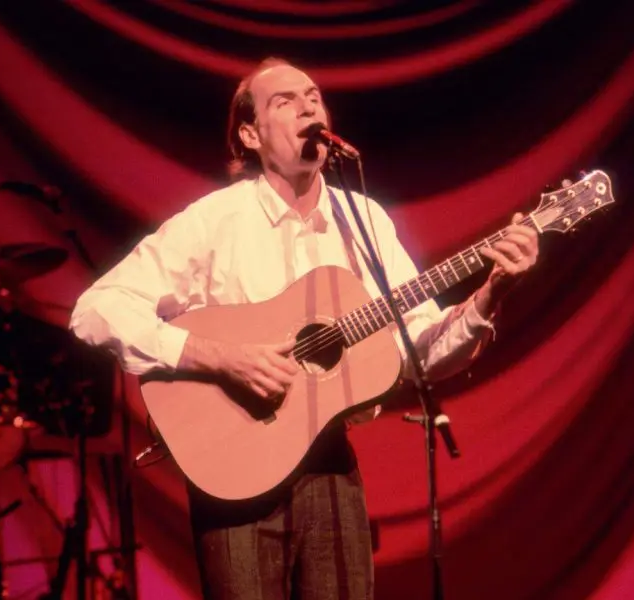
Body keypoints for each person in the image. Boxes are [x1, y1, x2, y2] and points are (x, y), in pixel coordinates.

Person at [69, 57, 539, 600]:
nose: (308, 105)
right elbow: (96, 309)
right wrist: (216, 355)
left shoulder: (362, 219)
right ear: (250, 134)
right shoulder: (213, 222)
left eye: (313, 95)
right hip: (234, 472)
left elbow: (419, 351)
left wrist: (491, 294)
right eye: (284, 101)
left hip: (331, 467)